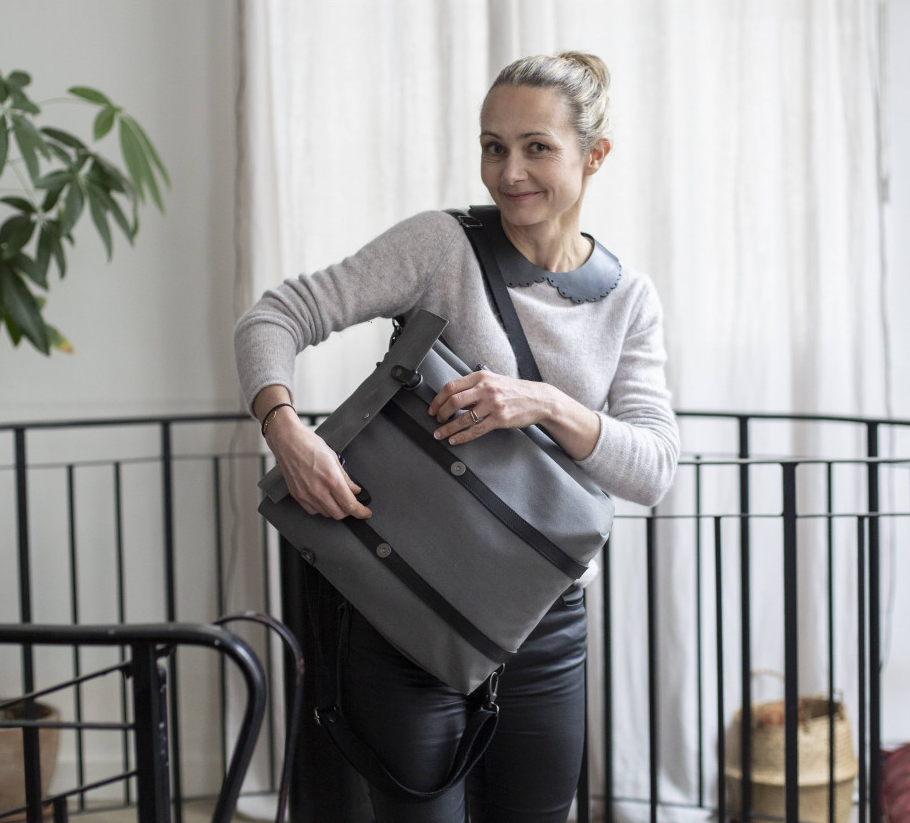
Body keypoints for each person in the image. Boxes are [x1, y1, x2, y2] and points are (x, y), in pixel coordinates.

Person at [235, 51, 679, 823]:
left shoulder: (628, 299)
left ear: (593, 155)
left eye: (537, 146)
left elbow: (654, 469)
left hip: (542, 631)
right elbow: (274, 314)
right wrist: (285, 431)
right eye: (492, 146)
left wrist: (542, 402)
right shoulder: (443, 247)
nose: (509, 172)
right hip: (404, 612)